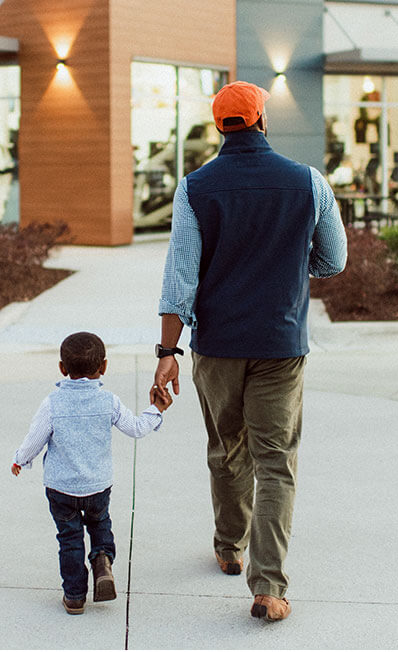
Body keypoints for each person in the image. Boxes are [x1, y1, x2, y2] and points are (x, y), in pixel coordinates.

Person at [151, 81, 347, 622]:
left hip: (216, 347)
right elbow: (333, 262)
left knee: (226, 449)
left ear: (219, 127)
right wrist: (286, 268)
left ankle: (228, 545)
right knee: (276, 462)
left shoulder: (195, 188)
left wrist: (168, 350)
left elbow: (179, 278)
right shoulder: (309, 183)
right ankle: (269, 587)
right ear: (263, 120)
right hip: (280, 345)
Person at [11, 331, 172, 615]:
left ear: (62, 368)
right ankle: (101, 560)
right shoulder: (108, 401)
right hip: (98, 487)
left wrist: (20, 461)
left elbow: (34, 440)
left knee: (69, 539)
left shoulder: (52, 403)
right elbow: (135, 428)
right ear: (104, 367)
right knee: (100, 525)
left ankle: (74, 596)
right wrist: (156, 409)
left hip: (61, 489)